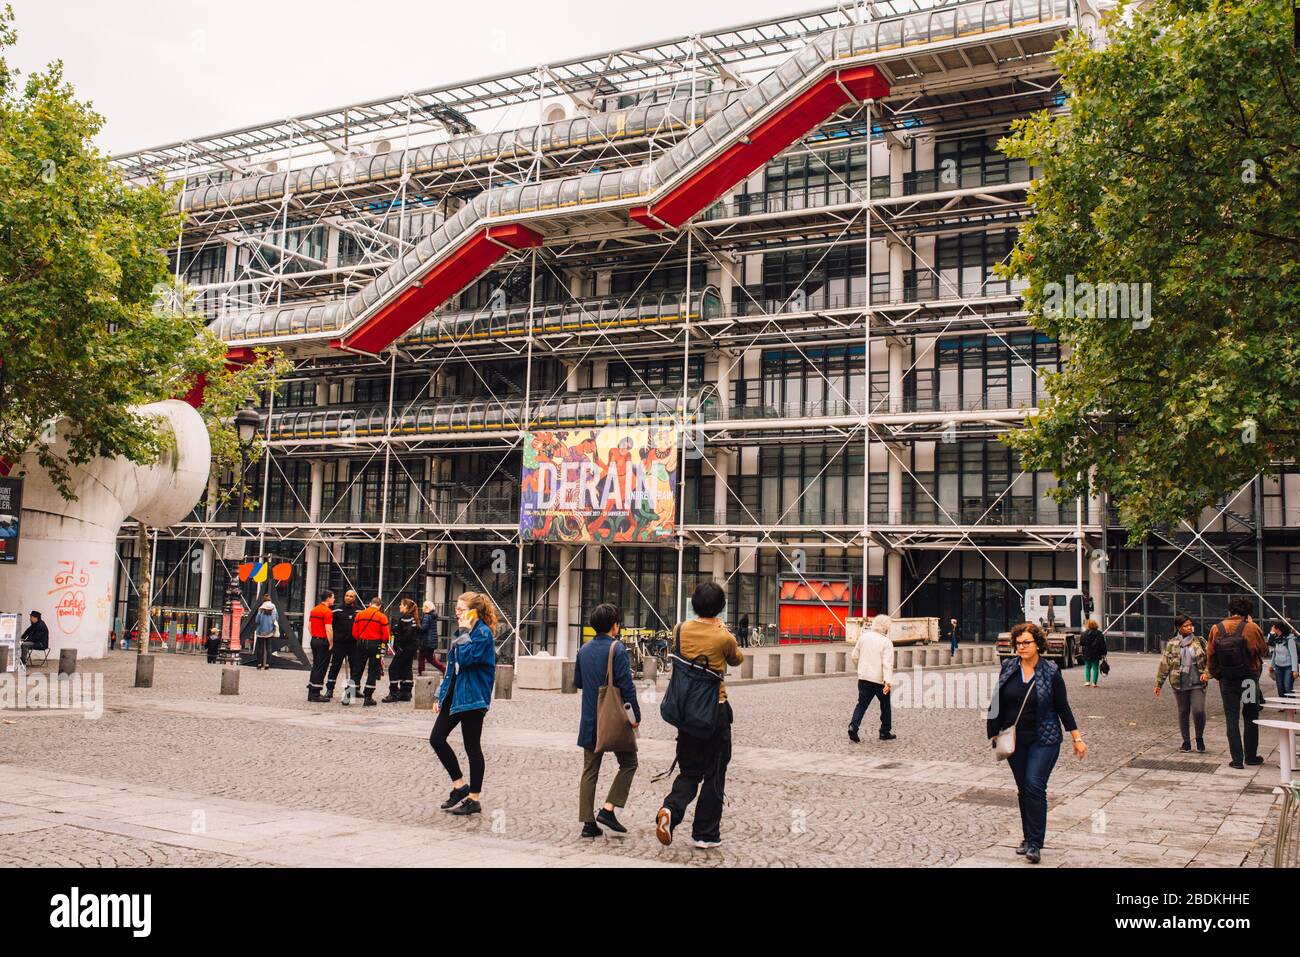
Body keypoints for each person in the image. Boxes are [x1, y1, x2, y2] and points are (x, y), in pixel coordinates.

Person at [986, 622, 1086, 864]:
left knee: (1034, 785)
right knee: (1023, 789)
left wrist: (1077, 737)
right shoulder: (1008, 667)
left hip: (1045, 738)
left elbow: (1062, 705)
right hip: (1015, 739)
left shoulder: (1050, 671)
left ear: (1037, 644)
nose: (1021, 647)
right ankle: (1027, 837)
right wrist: (993, 731)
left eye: (1026, 643)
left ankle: (1034, 843)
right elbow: (998, 700)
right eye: (1018, 643)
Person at [655, 581, 744, 850]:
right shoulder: (722, 637)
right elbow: (737, 659)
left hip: (687, 712)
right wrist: (724, 630)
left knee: (690, 770)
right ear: (720, 608)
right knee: (715, 772)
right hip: (714, 711)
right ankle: (705, 833)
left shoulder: (679, 629)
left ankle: (671, 809)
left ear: (694, 604)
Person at [574, 603, 641, 839]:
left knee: (589, 770)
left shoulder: (583, 650)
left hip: (590, 721)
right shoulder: (618, 649)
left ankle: (588, 823)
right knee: (629, 763)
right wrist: (635, 718)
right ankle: (608, 808)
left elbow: (579, 682)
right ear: (615, 625)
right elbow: (627, 688)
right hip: (613, 719)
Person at [431, 592, 498, 817]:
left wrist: (464, 632)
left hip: (473, 697)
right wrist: (440, 696)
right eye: (456, 609)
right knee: (437, 738)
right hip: (455, 695)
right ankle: (460, 786)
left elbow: (467, 659)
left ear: (473, 612)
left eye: (461, 610)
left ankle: (474, 798)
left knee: (472, 748)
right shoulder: (464, 632)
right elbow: (452, 667)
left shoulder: (482, 634)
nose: (457, 613)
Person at [1207, 595, 1268, 769]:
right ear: (1248, 612)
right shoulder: (1252, 628)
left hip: (1227, 680)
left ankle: (1237, 759)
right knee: (1250, 716)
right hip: (1248, 679)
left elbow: (1210, 656)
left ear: (1230, 610)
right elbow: (1263, 650)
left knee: (1231, 718)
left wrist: (1218, 675)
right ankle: (1251, 756)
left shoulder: (1217, 628)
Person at [1154, 614, 1209, 752]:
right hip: (1179, 682)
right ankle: (1186, 742)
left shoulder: (1200, 641)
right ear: (1179, 628)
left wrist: (1207, 673)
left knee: (1198, 711)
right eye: (1186, 625)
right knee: (1183, 711)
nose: (1190, 627)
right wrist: (1158, 684)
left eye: (1191, 624)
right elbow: (1165, 664)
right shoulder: (1172, 644)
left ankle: (1199, 738)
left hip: (1197, 682)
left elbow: (1211, 659)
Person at [848, 613, 895, 742]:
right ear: (886, 627)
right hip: (879, 680)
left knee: (861, 704)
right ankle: (884, 732)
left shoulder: (864, 637)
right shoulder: (886, 642)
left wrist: (860, 667)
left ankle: (853, 726)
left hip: (863, 677)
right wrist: (888, 682)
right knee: (885, 705)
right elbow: (887, 664)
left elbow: (854, 655)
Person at [351, 597, 390, 707]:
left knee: (357, 669)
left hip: (361, 644)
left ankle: (349, 694)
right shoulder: (382, 617)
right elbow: (386, 635)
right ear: (379, 606)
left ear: (370, 604)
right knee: (373, 670)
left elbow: (354, 632)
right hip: (375, 645)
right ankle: (368, 697)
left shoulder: (359, 615)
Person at [323, 590, 359, 702]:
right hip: (339, 644)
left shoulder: (360, 611)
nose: (348, 598)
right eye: (346, 595)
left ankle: (354, 690)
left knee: (355, 668)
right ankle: (329, 690)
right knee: (335, 667)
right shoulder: (336, 610)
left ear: (354, 598)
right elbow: (330, 626)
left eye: (351, 596)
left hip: (354, 644)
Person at [383, 598, 419, 703]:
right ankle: (406, 692)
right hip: (410, 648)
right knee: (406, 668)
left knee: (392, 668)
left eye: (401, 605)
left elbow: (407, 633)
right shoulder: (411, 618)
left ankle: (393, 693)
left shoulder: (406, 617)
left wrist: (398, 637)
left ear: (406, 607)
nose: (399, 606)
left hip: (405, 648)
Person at [306, 590, 335, 702]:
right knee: (322, 666)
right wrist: (331, 642)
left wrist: (315, 635)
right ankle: (316, 693)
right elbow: (329, 628)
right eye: (333, 597)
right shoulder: (327, 612)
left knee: (315, 665)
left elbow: (309, 626)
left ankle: (311, 691)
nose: (334, 599)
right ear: (328, 598)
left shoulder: (314, 610)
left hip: (314, 640)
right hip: (323, 641)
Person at [1267, 621, 1297, 697]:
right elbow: (1275, 653)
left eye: (1273, 627)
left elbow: (1294, 656)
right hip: (1278, 666)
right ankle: (1283, 705)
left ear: (1278, 629)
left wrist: (1295, 670)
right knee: (1280, 687)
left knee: (1288, 687)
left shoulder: (1290, 640)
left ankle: (1291, 706)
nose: (1272, 629)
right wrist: (1272, 665)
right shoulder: (1277, 639)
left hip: (1288, 667)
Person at [417, 599, 445, 676]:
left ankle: (421, 673)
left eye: (423, 606)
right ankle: (443, 668)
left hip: (426, 641)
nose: (422, 608)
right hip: (431, 641)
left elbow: (423, 628)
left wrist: (417, 626)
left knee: (422, 658)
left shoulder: (427, 616)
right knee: (429, 658)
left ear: (427, 607)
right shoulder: (432, 616)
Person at [1080, 618, 1107, 687]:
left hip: (1087, 653)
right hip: (1096, 653)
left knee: (1087, 667)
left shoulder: (1083, 634)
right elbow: (1102, 644)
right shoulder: (1099, 634)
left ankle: (1087, 682)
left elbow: (1081, 643)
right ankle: (1094, 683)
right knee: (1095, 668)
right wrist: (1104, 653)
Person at [252, 599, 278, 670]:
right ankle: (267, 664)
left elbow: (257, 620)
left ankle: (259, 664)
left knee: (260, 647)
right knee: (268, 647)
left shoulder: (261, 609)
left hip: (261, 631)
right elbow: (275, 618)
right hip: (269, 631)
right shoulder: (273, 608)